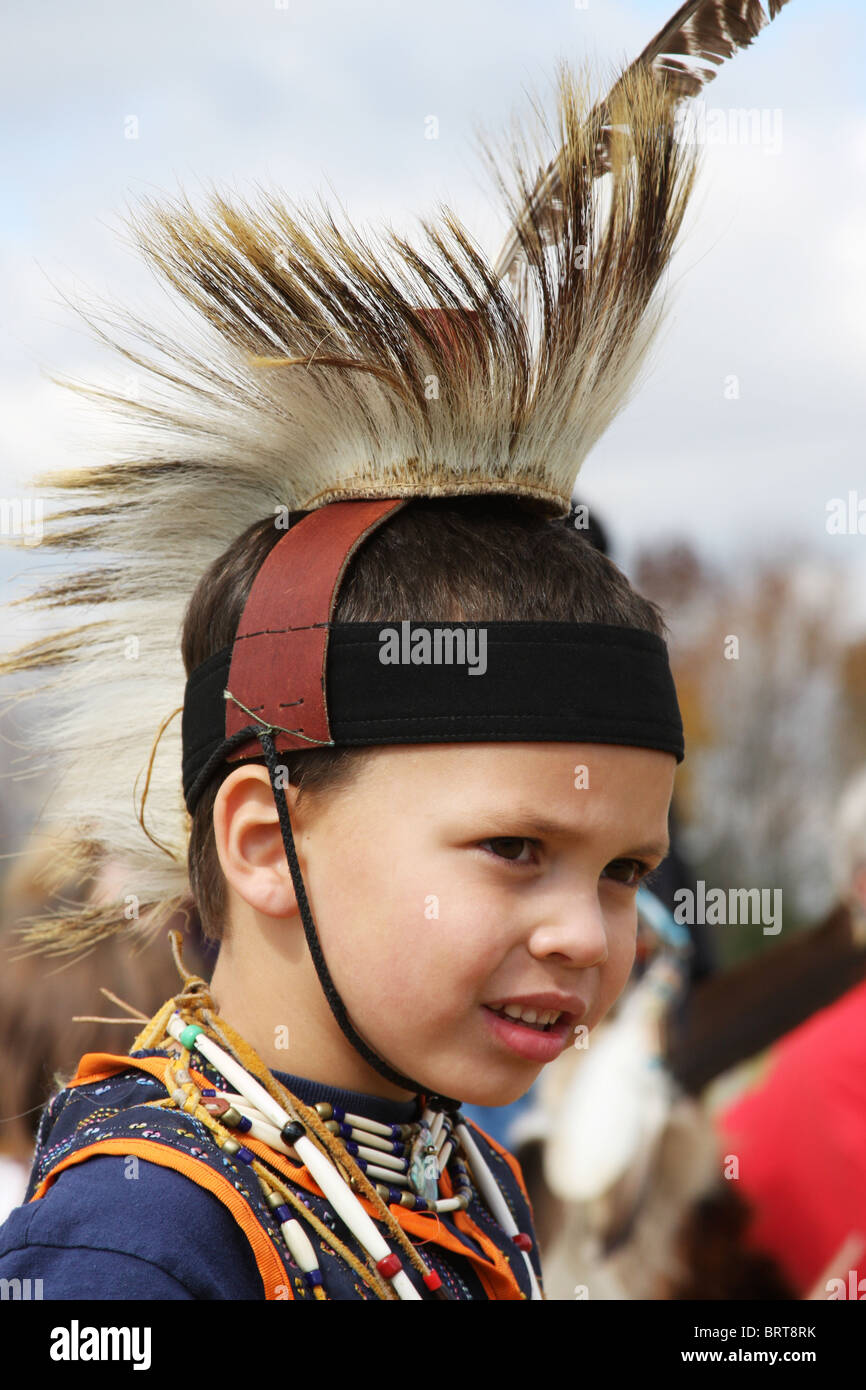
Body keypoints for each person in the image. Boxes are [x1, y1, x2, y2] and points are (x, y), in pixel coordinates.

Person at [0, 6, 790, 1301]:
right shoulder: (130, 1251)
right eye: (514, 850)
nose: (590, 938)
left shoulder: (453, 1185)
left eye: (623, 870)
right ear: (263, 839)